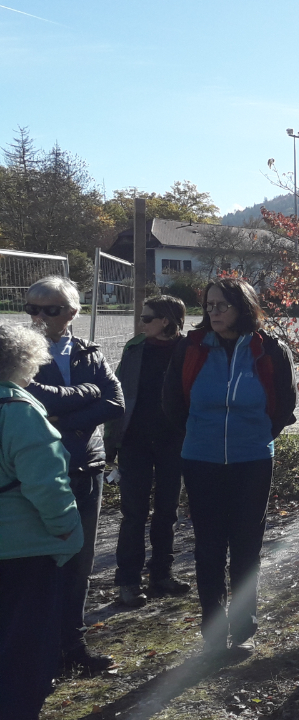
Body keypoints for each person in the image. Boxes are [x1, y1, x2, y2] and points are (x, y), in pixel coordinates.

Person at [162, 278, 296, 657]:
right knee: (208, 546)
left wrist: (254, 437)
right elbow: (173, 403)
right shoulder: (191, 348)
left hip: (252, 459)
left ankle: (243, 628)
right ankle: (212, 633)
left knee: (245, 545)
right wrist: (199, 435)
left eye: (222, 305)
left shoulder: (269, 349)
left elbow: (283, 407)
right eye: (209, 305)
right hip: (201, 459)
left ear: (243, 307)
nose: (213, 312)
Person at [23, 275, 124, 675]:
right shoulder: (18, 351)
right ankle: (38, 649)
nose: (38, 316)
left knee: (80, 562)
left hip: (87, 467)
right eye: (32, 307)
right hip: (39, 470)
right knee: (41, 562)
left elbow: (115, 402)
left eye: (49, 309)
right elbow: (33, 398)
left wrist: (64, 419)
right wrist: (86, 395)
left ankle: (73, 646)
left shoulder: (90, 352)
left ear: (71, 313)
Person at [0, 323, 84, 720]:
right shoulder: (18, 412)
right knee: (25, 652)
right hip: (23, 549)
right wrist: (67, 530)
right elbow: (46, 484)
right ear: (22, 362)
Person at [106, 295, 191, 607]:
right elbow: (119, 394)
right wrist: (112, 442)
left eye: (146, 318)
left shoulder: (189, 350)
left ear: (166, 320)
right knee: (133, 515)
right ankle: (128, 582)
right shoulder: (135, 348)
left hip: (174, 443)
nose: (140, 323)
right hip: (135, 444)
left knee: (167, 513)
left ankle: (161, 577)